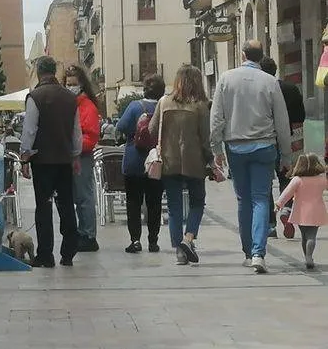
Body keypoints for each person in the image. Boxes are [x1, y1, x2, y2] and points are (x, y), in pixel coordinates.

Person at [210, 40, 292, 274]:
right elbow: (282, 122)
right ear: (260, 56)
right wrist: (286, 155)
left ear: (242, 53)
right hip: (265, 146)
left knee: (243, 199)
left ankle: (248, 252)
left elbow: (216, 117)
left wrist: (216, 150)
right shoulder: (270, 82)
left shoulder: (225, 79)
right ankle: (259, 253)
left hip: (235, 147)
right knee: (260, 198)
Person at [19, 56, 82, 268]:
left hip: (43, 161)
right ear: (54, 72)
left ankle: (46, 254)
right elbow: (76, 131)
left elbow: (29, 129)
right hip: (64, 160)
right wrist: (75, 155)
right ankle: (69, 251)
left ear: (38, 72)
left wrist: (25, 156)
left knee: (43, 207)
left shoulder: (35, 97)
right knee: (66, 204)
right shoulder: (70, 98)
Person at [149, 66, 216, 265]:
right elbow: (205, 138)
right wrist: (211, 160)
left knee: (174, 207)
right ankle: (188, 239)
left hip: (169, 162)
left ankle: (179, 251)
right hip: (195, 162)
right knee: (197, 202)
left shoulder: (163, 102)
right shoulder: (201, 106)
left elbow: (152, 130)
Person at [116, 75, 166, 253]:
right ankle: (153, 241)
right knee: (155, 202)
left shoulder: (135, 106)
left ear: (144, 89)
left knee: (133, 202)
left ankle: (135, 240)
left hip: (134, 161)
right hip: (157, 161)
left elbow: (121, 126)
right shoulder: (165, 106)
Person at [260, 56, 306, 239]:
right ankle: (286, 209)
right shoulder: (290, 88)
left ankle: (270, 225)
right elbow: (300, 117)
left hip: (264, 141)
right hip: (286, 139)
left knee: (264, 184)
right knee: (286, 176)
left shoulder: (260, 91)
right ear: (275, 70)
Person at [62, 64, 102, 252]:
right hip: (72, 156)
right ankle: (82, 231)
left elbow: (91, 136)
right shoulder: (73, 104)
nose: (70, 87)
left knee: (84, 196)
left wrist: (73, 147)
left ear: (81, 85)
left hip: (82, 156)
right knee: (77, 196)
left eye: (73, 84)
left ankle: (88, 234)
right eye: (68, 84)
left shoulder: (87, 106)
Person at [275, 153, 328, 270]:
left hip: (300, 211)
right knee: (312, 236)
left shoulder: (297, 180)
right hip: (317, 211)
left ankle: (307, 257)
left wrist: (279, 204)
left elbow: (286, 194)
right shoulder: (321, 180)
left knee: (304, 236)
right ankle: (309, 256)